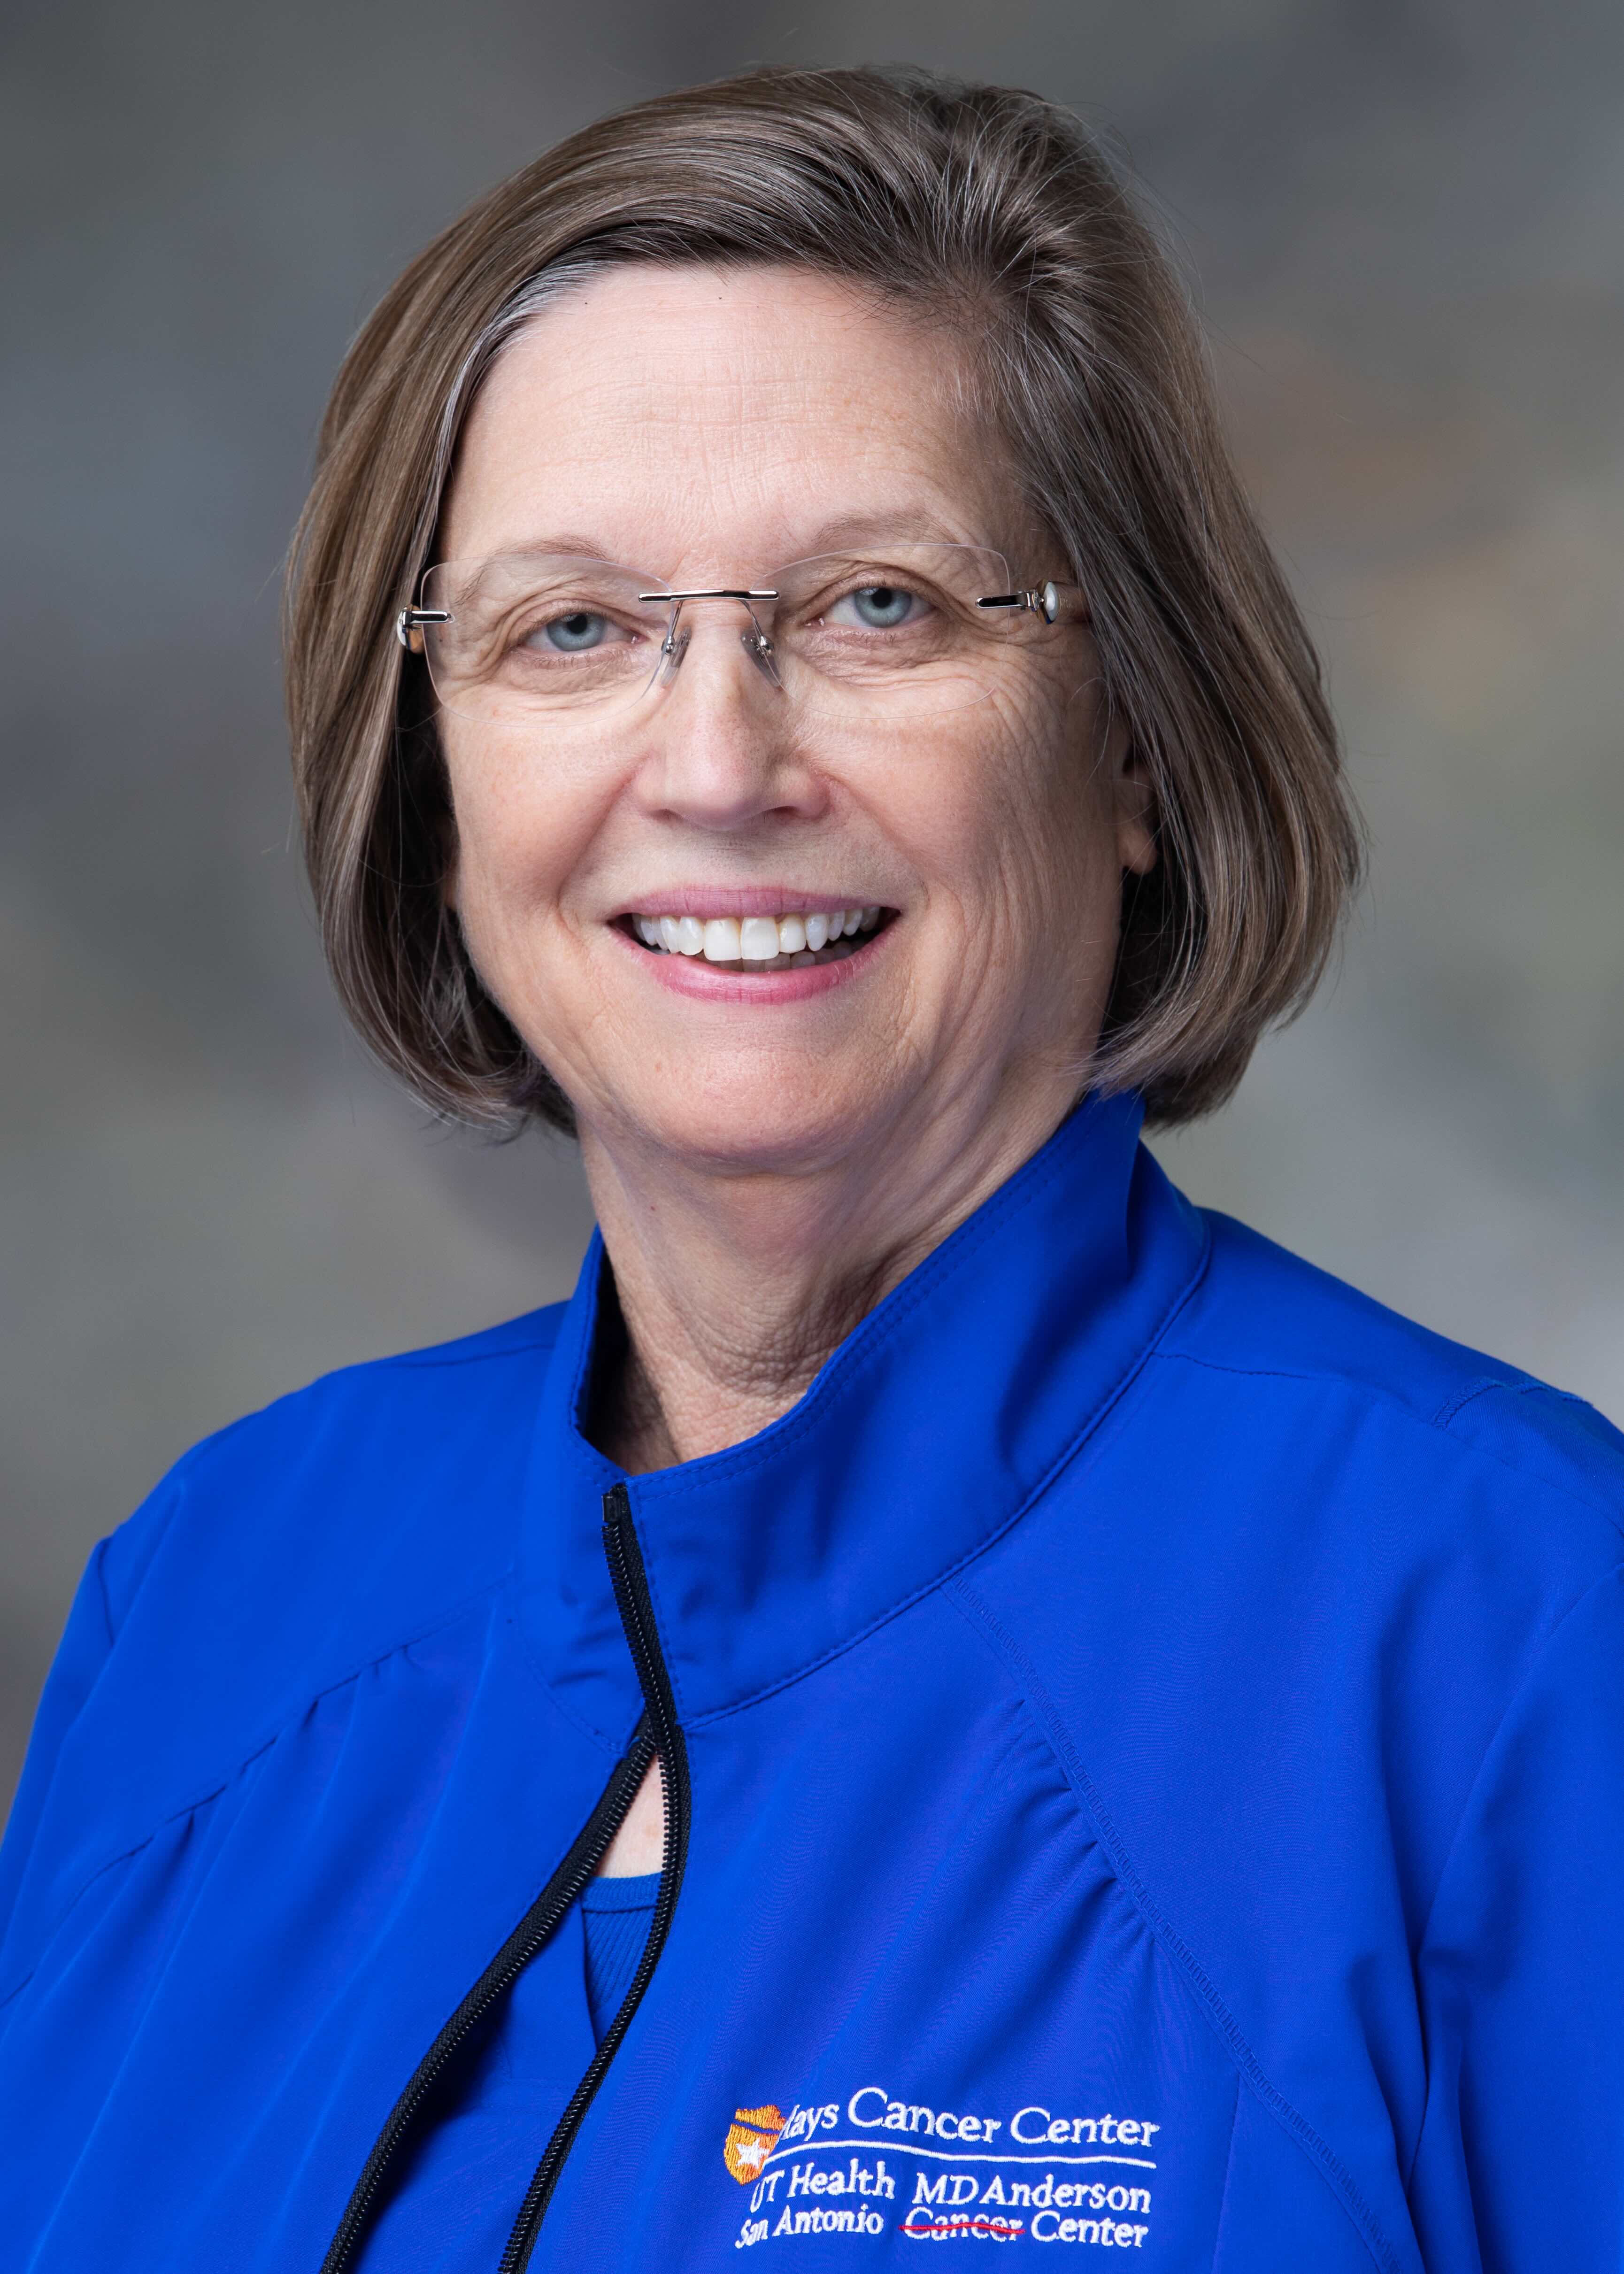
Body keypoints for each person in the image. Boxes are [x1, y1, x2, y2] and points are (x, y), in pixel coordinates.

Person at [0, 62, 1619, 2274]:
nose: (715, 760)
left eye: (877, 607)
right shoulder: (214, 1592)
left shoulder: (1513, 1626)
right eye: (572, 627)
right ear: (434, 762)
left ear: (1131, 738)